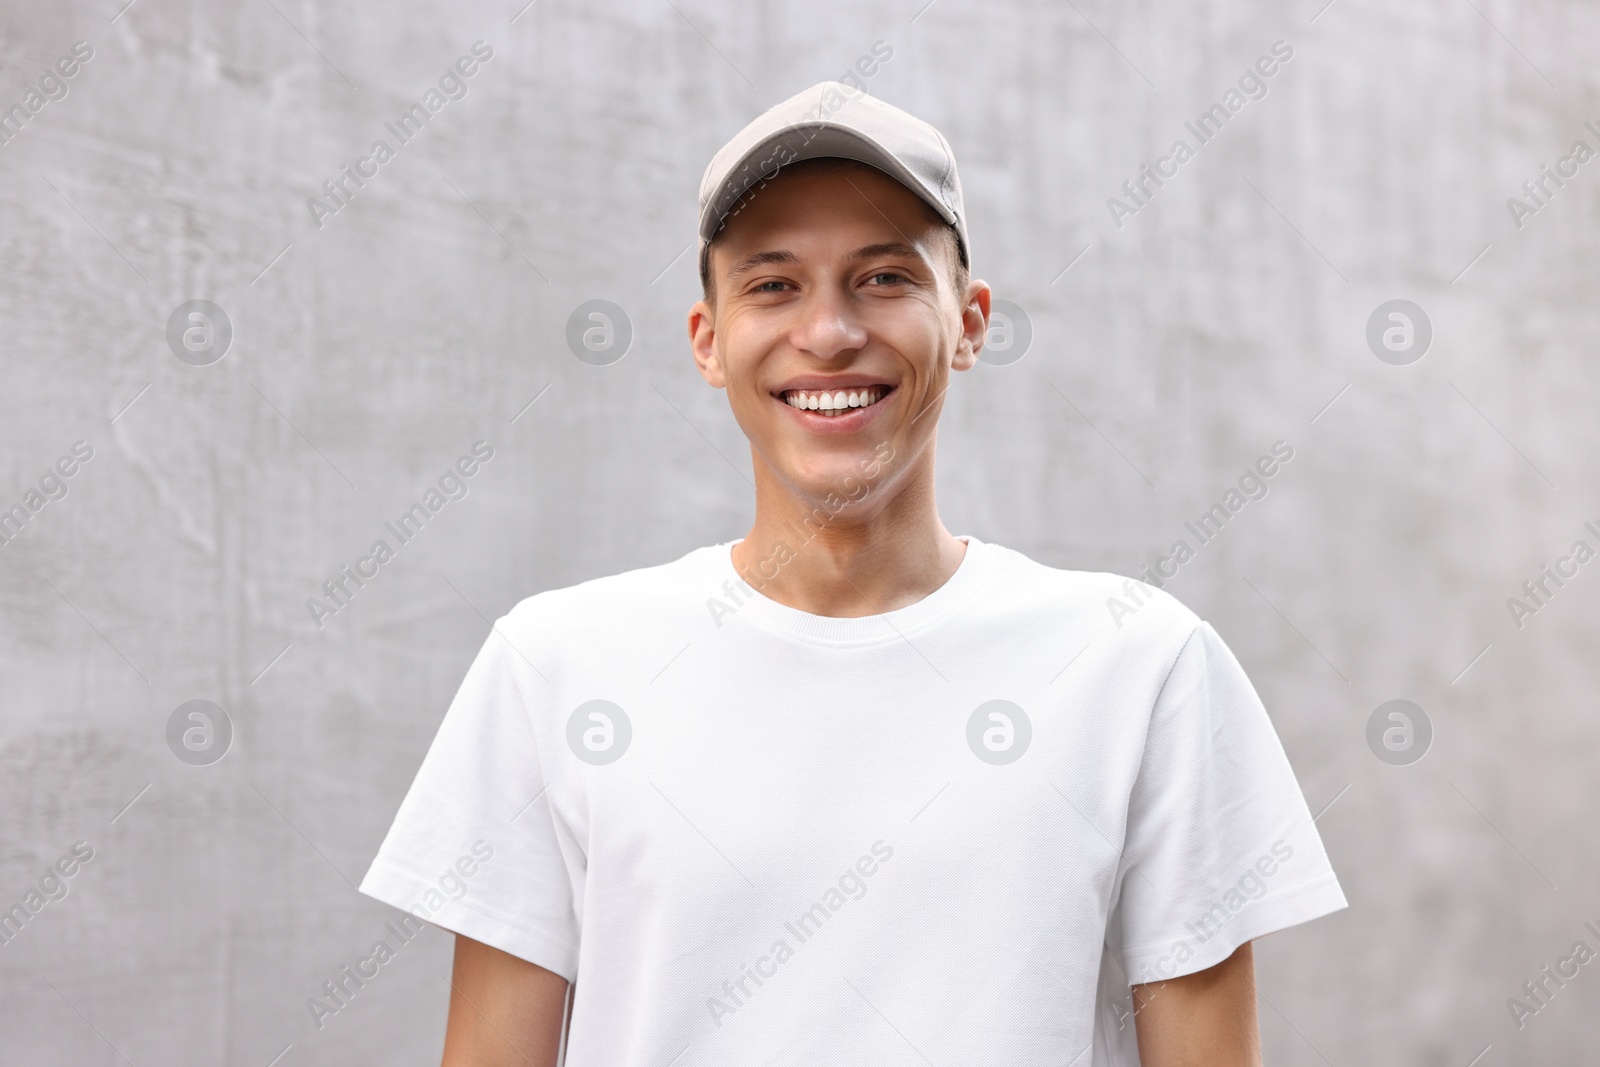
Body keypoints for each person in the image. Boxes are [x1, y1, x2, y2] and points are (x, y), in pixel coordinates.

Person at [359, 80, 1348, 1066]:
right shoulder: (554, 665)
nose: (828, 332)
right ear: (709, 339)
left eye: (883, 277)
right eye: (773, 284)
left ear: (968, 321)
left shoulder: (1140, 664)